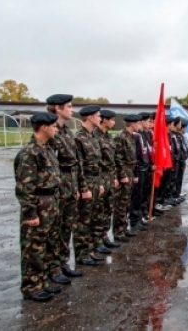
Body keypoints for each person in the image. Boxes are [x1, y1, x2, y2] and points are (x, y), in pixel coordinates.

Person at [15, 112, 62, 302]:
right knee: (33, 247)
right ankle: (31, 287)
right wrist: (30, 212)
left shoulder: (47, 149)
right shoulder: (29, 153)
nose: (56, 129)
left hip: (51, 201)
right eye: (53, 126)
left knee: (47, 244)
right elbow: (25, 187)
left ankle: (43, 281)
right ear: (44, 127)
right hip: (39, 204)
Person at [46, 94, 82, 280]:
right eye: (68, 106)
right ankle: (53, 269)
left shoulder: (67, 132)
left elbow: (74, 161)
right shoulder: (50, 132)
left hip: (70, 185)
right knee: (54, 230)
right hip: (57, 187)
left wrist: (77, 185)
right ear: (58, 108)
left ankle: (62, 263)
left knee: (66, 227)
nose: (72, 109)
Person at [74, 105, 105, 266]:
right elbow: (78, 166)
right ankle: (81, 253)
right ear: (90, 117)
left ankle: (91, 249)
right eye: (98, 116)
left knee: (93, 217)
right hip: (85, 181)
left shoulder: (93, 137)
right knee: (83, 220)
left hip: (95, 181)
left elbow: (97, 164)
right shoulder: (79, 138)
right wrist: (83, 188)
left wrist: (99, 183)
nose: (100, 118)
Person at [93, 109, 121, 252]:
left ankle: (104, 237)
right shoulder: (95, 136)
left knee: (108, 208)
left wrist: (115, 176)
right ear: (104, 120)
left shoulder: (108, 137)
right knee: (99, 210)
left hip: (109, 176)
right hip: (101, 177)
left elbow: (113, 159)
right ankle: (97, 241)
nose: (113, 122)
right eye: (111, 119)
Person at [113, 114, 141, 243]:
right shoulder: (121, 137)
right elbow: (117, 158)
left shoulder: (131, 137)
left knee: (126, 203)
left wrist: (133, 174)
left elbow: (132, 158)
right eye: (137, 123)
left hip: (129, 170)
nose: (138, 125)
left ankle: (124, 228)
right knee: (120, 204)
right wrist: (122, 175)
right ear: (131, 124)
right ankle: (118, 231)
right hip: (123, 172)